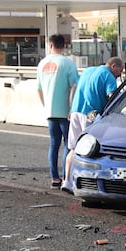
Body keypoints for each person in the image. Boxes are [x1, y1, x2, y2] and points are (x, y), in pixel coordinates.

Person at [61, 57, 124, 192]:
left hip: (76, 112)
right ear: (114, 66)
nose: (120, 74)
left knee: (73, 149)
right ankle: (86, 183)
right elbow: (112, 96)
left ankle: (67, 182)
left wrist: (70, 109)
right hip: (90, 115)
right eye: (120, 70)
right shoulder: (109, 76)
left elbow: (75, 88)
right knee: (89, 150)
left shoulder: (88, 70)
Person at [37, 34, 78, 189]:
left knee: (53, 144)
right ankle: (66, 176)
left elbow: (39, 89)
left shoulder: (42, 63)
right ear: (64, 46)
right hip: (65, 111)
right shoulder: (67, 63)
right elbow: (74, 86)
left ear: (50, 45)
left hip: (50, 111)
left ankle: (55, 177)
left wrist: (46, 106)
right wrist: (71, 108)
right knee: (69, 144)